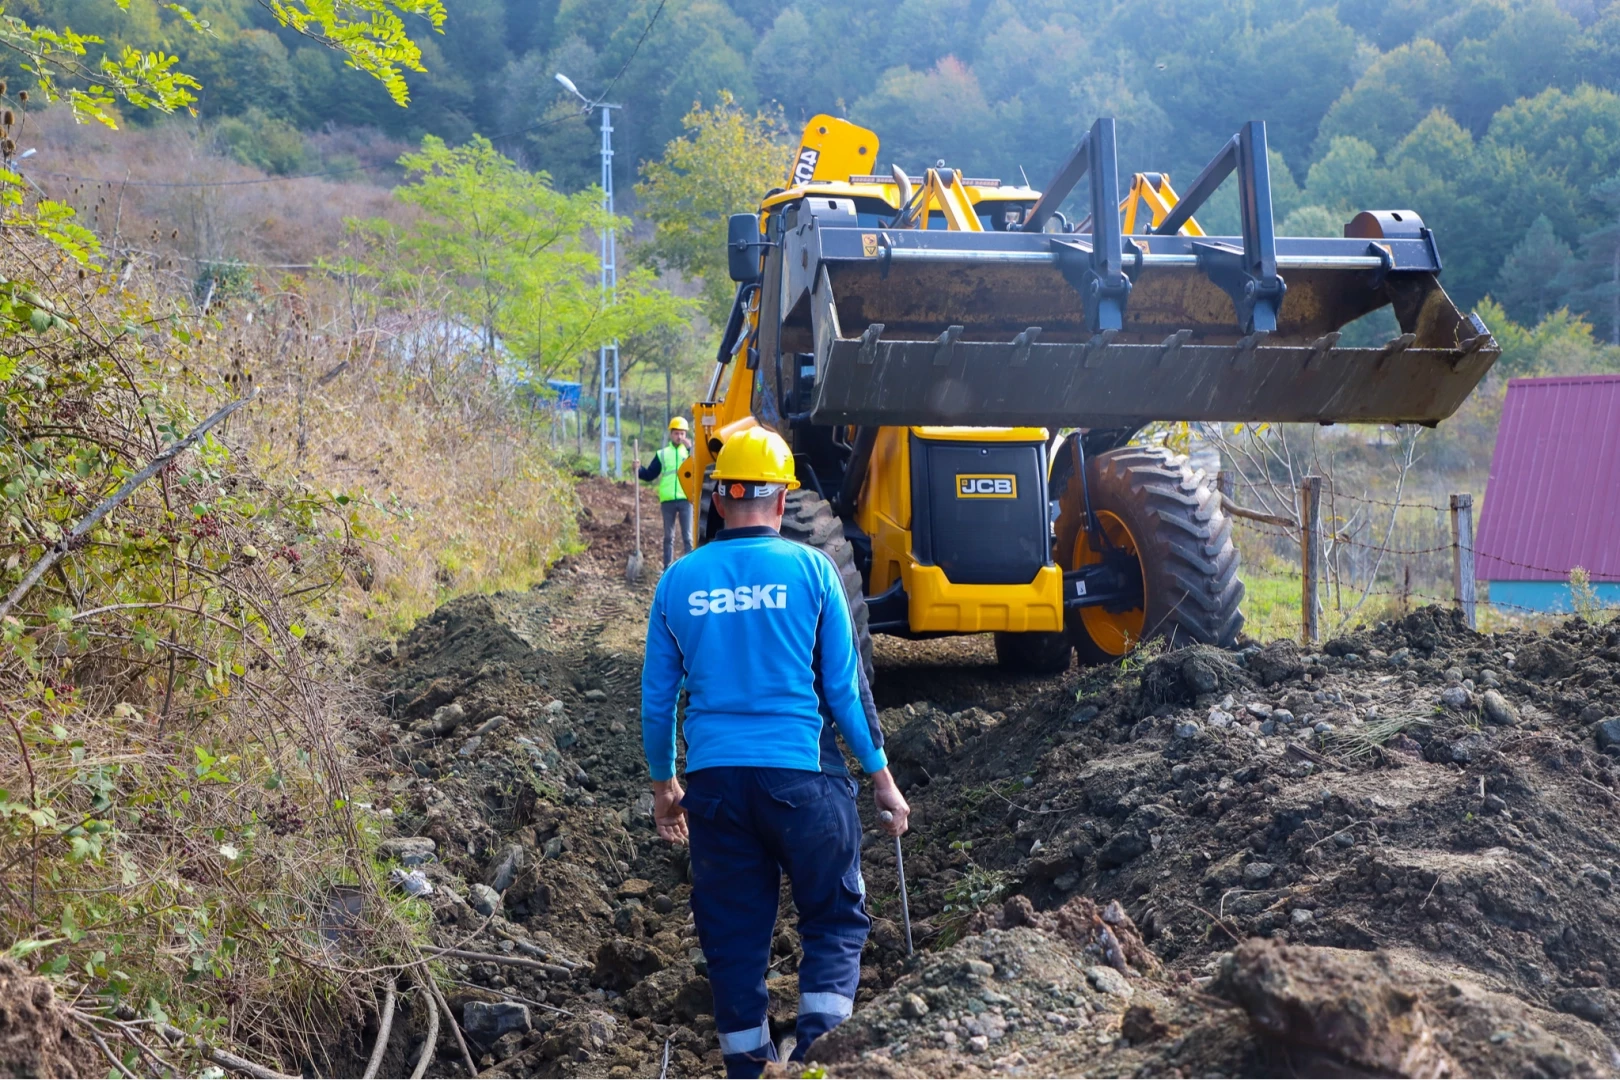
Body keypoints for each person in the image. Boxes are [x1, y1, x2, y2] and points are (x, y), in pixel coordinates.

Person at [639, 427, 910, 1079]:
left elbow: (656, 702)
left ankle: (750, 1066)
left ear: (719, 498)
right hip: (803, 780)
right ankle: (818, 1055)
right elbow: (845, 690)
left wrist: (664, 787)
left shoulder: (679, 581)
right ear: (782, 501)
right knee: (834, 914)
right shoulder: (812, 570)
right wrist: (881, 777)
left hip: (716, 787)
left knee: (732, 934)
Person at [637, 416, 693, 568]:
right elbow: (650, 474)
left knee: (688, 537)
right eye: (676, 433)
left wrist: (690, 449)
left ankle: (690, 567)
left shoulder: (691, 453)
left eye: (682, 433)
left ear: (686, 435)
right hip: (667, 499)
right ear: (671, 434)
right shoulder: (662, 453)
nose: (679, 436)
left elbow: (699, 467)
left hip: (686, 498)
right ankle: (667, 567)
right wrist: (638, 470)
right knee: (669, 537)